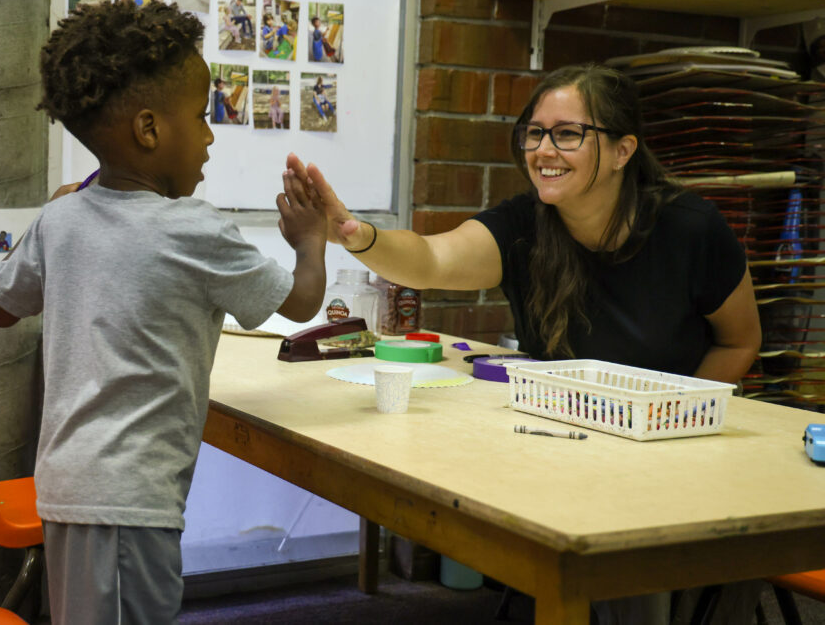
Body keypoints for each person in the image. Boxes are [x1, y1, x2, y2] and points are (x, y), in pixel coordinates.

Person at [299, 64, 763, 622]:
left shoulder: (690, 229)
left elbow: (740, 341)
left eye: (568, 133)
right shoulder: (524, 223)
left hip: (667, 454)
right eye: (534, 133)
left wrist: (672, 418)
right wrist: (357, 235)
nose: (544, 149)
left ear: (622, 151)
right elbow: (429, 259)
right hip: (562, 442)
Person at [0, 0, 327, 624]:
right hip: (125, 501)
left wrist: (53, 215)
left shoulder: (61, 217)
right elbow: (302, 302)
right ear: (149, 130)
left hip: (69, 488)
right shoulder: (193, 229)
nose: (210, 135)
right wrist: (310, 238)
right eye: (200, 116)